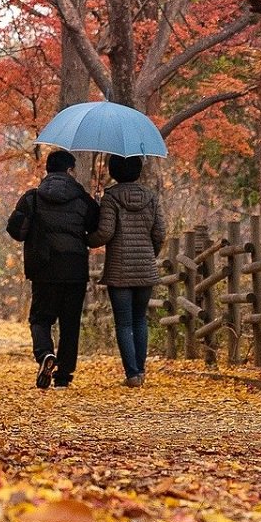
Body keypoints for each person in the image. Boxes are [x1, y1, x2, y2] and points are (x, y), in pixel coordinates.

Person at [7, 150, 100, 389]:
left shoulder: (33, 198)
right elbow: (96, 227)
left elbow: (16, 231)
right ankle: (63, 376)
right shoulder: (82, 199)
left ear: (48, 170)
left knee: (40, 319)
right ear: (69, 171)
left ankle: (45, 354)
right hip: (74, 269)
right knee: (70, 323)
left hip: (44, 269)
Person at [89, 154, 165, 388]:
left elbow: (105, 233)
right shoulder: (151, 197)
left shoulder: (111, 198)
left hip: (119, 270)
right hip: (145, 269)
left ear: (113, 171)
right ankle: (140, 372)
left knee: (124, 323)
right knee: (140, 319)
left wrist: (87, 239)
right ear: (138, 170)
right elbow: (159, 233)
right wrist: (149, 255)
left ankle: (131, 374)